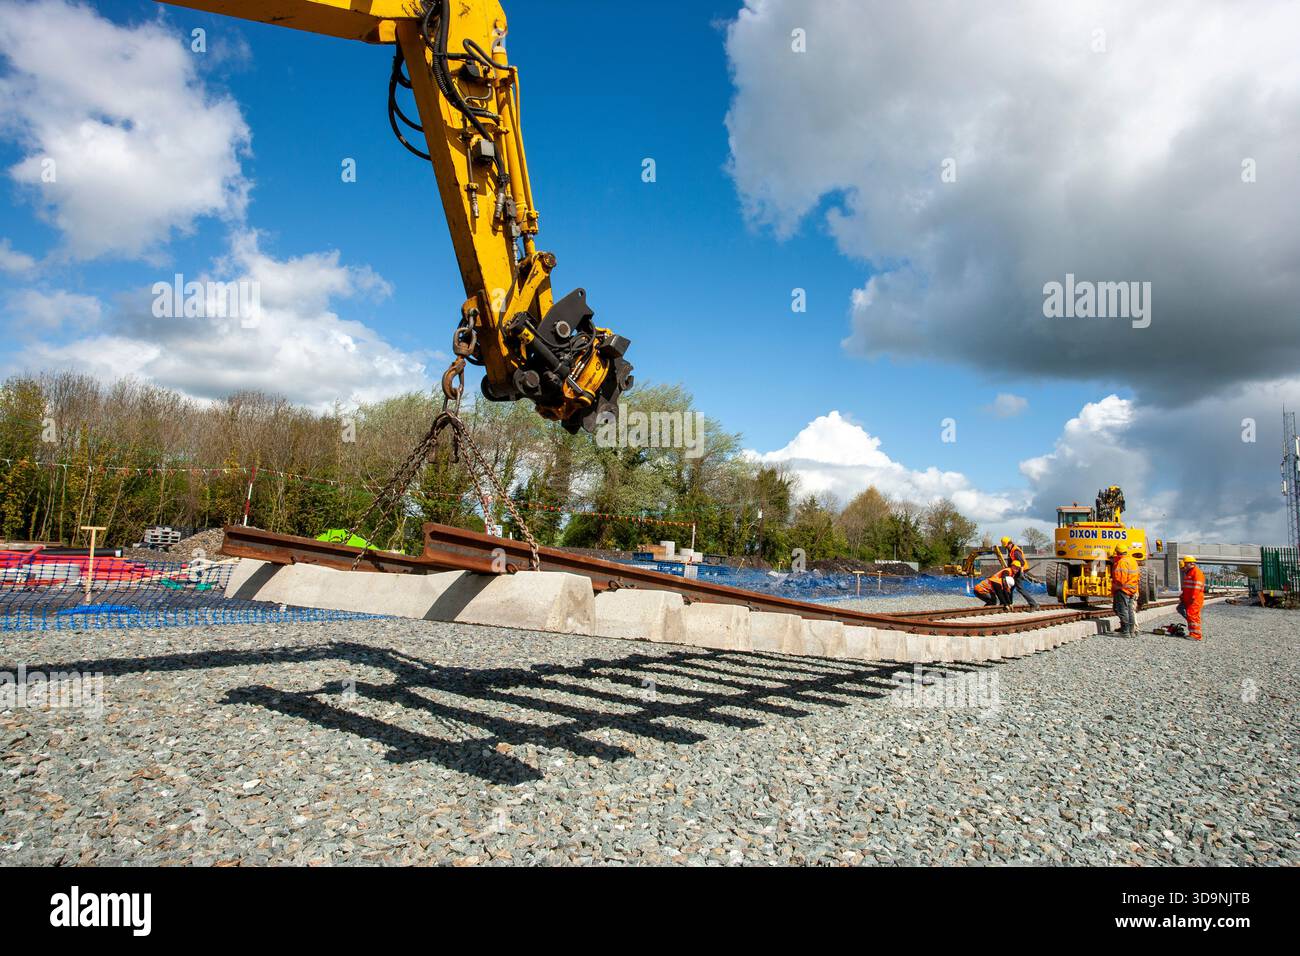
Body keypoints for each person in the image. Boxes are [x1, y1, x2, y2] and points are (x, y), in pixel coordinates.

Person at [1109, 542, 1140, 638]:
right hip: (1132, 589)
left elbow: (1120, 579)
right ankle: (1131, 631)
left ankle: (1125, 631)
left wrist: (1115, 586)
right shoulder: (1132, 561)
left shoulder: (1121, 562)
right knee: (1130, 610)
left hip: (1122, 589)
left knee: (1122, 610)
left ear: (1118, 552)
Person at [1001, 535, 1040, 608]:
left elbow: (1022, 562)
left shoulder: (1015, 551)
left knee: (1019, 588)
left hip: (1019, 571)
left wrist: (1021, 573)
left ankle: (1033, 604)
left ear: (1010, 543)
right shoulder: (1011, 551)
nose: (1006, 548)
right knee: (1010, 587)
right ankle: (1009, 603)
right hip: (1016, 571)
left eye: (1006, 546)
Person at [1177, 555, 1206, 641]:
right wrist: (1182, 596)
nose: (1184, 565)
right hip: (1189, 598)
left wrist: (1193, 597)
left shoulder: (1196, 572)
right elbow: (1187, 587)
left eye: (1185, 564)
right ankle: (1193, 632)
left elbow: (1197, 586)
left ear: (1191, 563)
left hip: (1194, 599)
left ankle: (1196, 635)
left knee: (1192, 615)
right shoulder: (1190, 572)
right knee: (1189, 614)